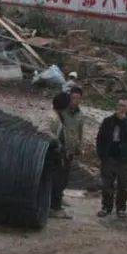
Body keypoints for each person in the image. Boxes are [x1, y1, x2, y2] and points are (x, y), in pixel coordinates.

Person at [95, 98, 127, 219]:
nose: (121, 108)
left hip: (124, 158)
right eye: (120, 105)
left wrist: (123, 120)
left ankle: (121, 209)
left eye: (124, 106)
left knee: (123, 185)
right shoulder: (108, 120)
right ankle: (106, 207)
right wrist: (101, 154)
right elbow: (100, 138)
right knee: (107, 184)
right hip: (109, 157)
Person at [48, 85, 84, 218]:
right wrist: (58, 145)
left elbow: (79, 132)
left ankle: (57, 201)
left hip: (68, 151)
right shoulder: (58, 116)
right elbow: (48, 132)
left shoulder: (80, 115)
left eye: (77, 98)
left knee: (63, 179)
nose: (74, 101)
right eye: (72, 98)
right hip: (58, 152)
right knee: (57, 179)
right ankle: (54, 206)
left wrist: (78, 147)